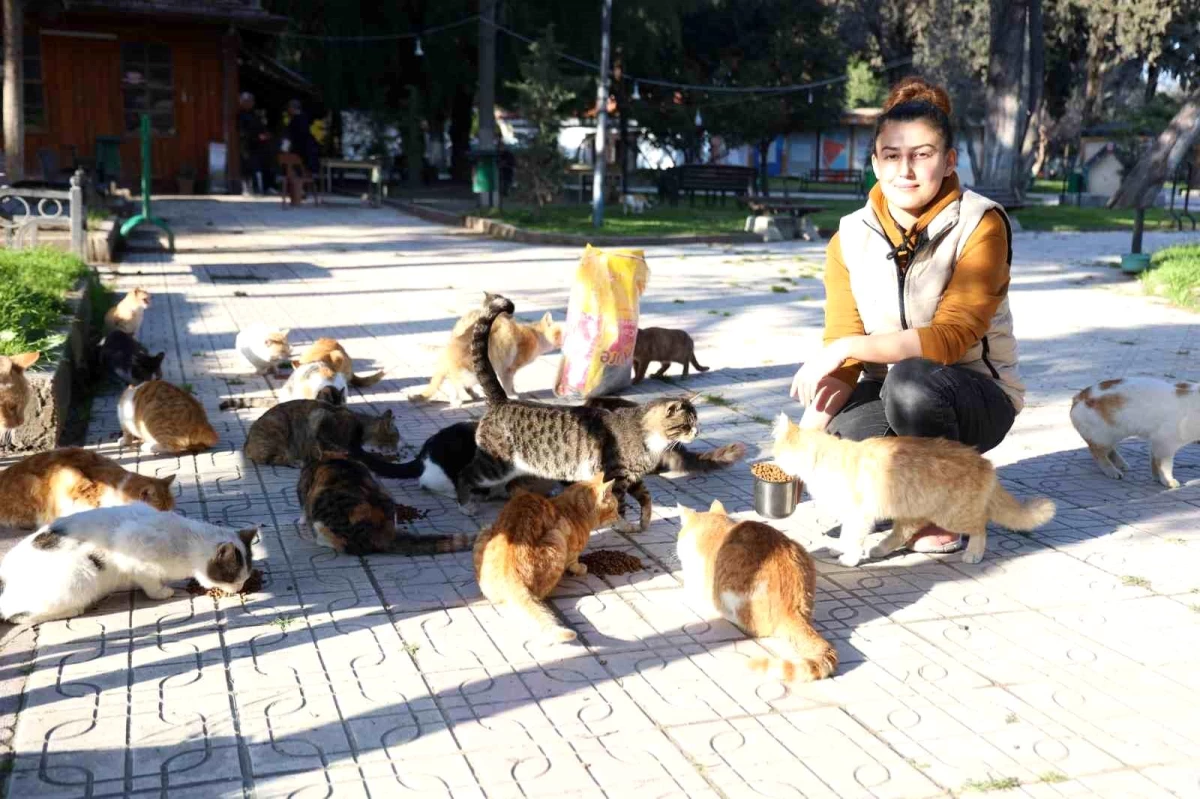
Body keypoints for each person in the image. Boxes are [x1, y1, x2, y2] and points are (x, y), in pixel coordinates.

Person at [789, 76, 1024, 554]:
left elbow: (951, 336)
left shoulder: (981, 223)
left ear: (949, 160)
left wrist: (847, 347)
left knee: (912, 385)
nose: (906, 170)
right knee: (842, 439)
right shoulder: (849, 237)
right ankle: (907, 495)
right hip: (892, 389)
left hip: (971, 394)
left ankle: (941, 509)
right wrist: (801, 445)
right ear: (875, 162)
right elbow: (844, 356)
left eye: (922, 154)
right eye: (892, 155)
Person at [236, 92, 272, 194]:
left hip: (259, 145)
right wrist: (256, 137)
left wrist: (265, 134)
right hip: (247, 145)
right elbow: (243, 132)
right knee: (247, 166)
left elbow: (262, 128)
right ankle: (246, 188)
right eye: (247, 101)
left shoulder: (255, 114)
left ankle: (260, 188)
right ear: (242, 102)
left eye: (251, 101)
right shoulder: (241, 115)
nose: (250, 103)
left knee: (259, 166)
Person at [283, 99, 320, 176]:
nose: (288, 110)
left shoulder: (296, 120)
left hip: (301, 152)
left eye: (289, 108)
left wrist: (285, 149)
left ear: (292, 108)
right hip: (307, 151)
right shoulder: (304, 118)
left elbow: (291, 137)